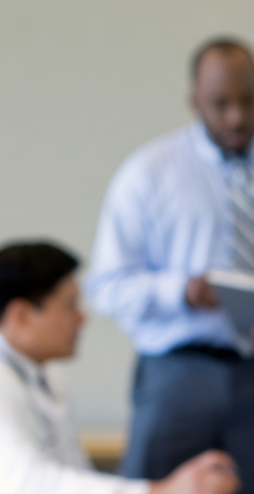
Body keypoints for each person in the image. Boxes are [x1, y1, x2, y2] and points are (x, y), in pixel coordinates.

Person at [0, 241, 239, 494]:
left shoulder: (46, 372)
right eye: (70, 305)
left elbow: (70, 471)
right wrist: (161, 491)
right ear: (22, 316)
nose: (83, 318)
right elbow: (29, 486)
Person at [85, 38, 254, 490]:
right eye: (221, 104)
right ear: (194, 100)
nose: (237, 116)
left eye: (248, 100)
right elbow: (105, 286)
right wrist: (181, 290)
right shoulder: (149, 173)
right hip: (178, 374)